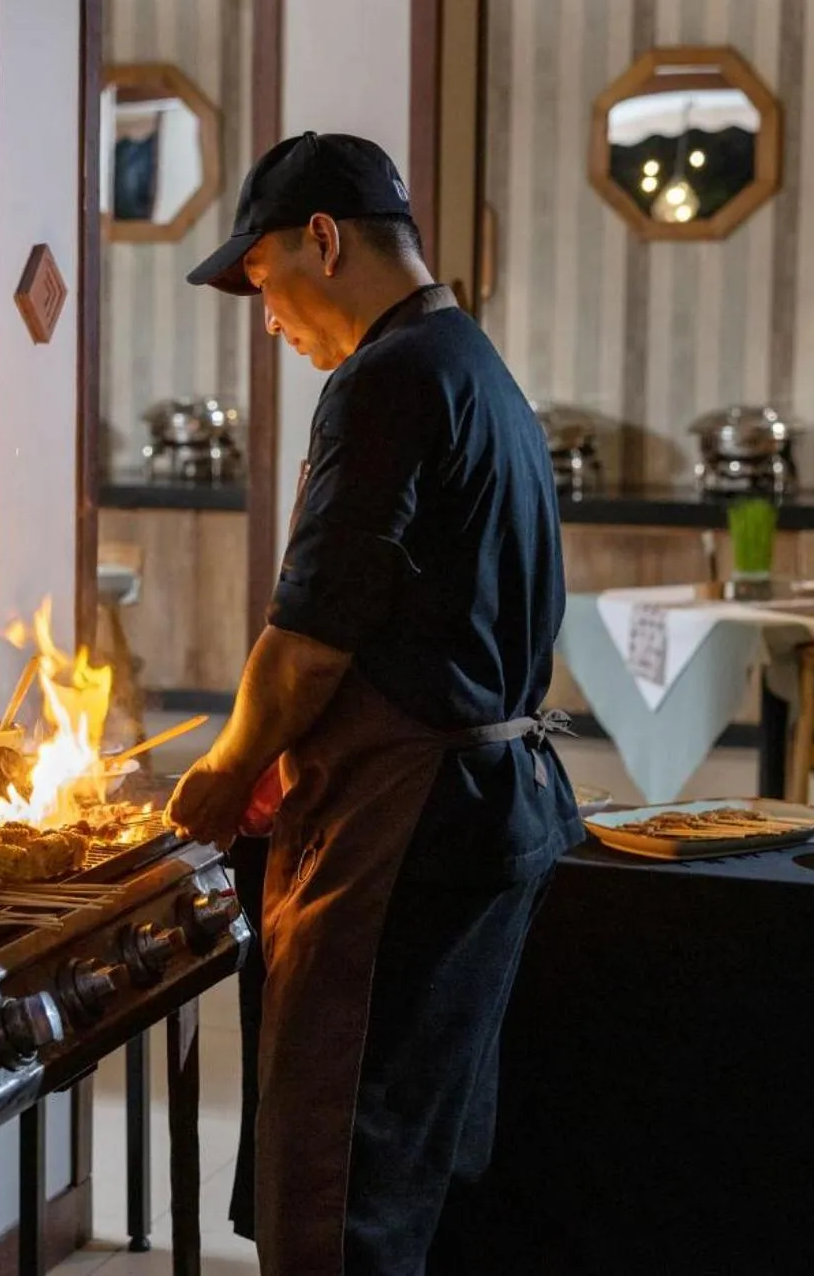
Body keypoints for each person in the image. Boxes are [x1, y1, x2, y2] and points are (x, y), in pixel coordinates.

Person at [167, 131, 581, 1276]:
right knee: (416, 1166)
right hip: (484, 805)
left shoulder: (385, 379)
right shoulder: (472, 362)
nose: (266, 320)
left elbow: (308, 640)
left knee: (339, 1167)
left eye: (262, 282)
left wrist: (224, 768)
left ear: (322, 239)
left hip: (403, 829)